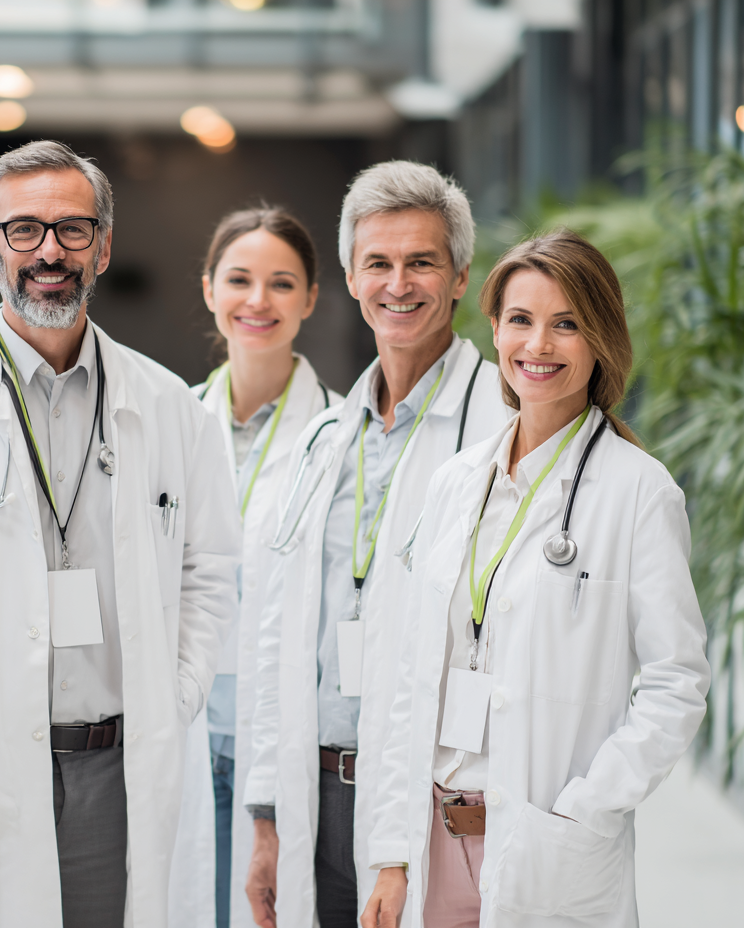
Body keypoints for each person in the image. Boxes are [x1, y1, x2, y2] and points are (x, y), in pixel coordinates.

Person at [0, 139, 240, 928]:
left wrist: (174, 697)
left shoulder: (168, 403)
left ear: (103, 246)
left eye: (74, 229)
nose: (50, 251)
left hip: (117, 758)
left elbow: (210, 569)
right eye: (24, 230)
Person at [361, 230, 710, 928]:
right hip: (433, 837)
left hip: (548, 847)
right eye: (521, 320)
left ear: (600, 338)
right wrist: (392, 854)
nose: (538, 345)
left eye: (566, 324)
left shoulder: (640, 491)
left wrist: (589, 804)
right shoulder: (458, 480)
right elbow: (412, 675)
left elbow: (677, 683)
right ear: (494, 330)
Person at [242, 161, 511, 928]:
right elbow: (275, 635)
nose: (399, 284)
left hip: (436, 793)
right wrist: (265, 817)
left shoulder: (504, 422)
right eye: (379, 264)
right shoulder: (324, 437)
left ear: (459, 278)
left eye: (421, 262)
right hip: (318, 790)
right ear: (354, 280)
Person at [190, 206, 342, 928]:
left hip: (284, 742)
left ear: (311, 299)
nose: (258, 301)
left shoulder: (344, 438)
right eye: (240, 280)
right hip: (188, 732)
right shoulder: (168, 424)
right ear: (209, 290)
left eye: (281, 283)